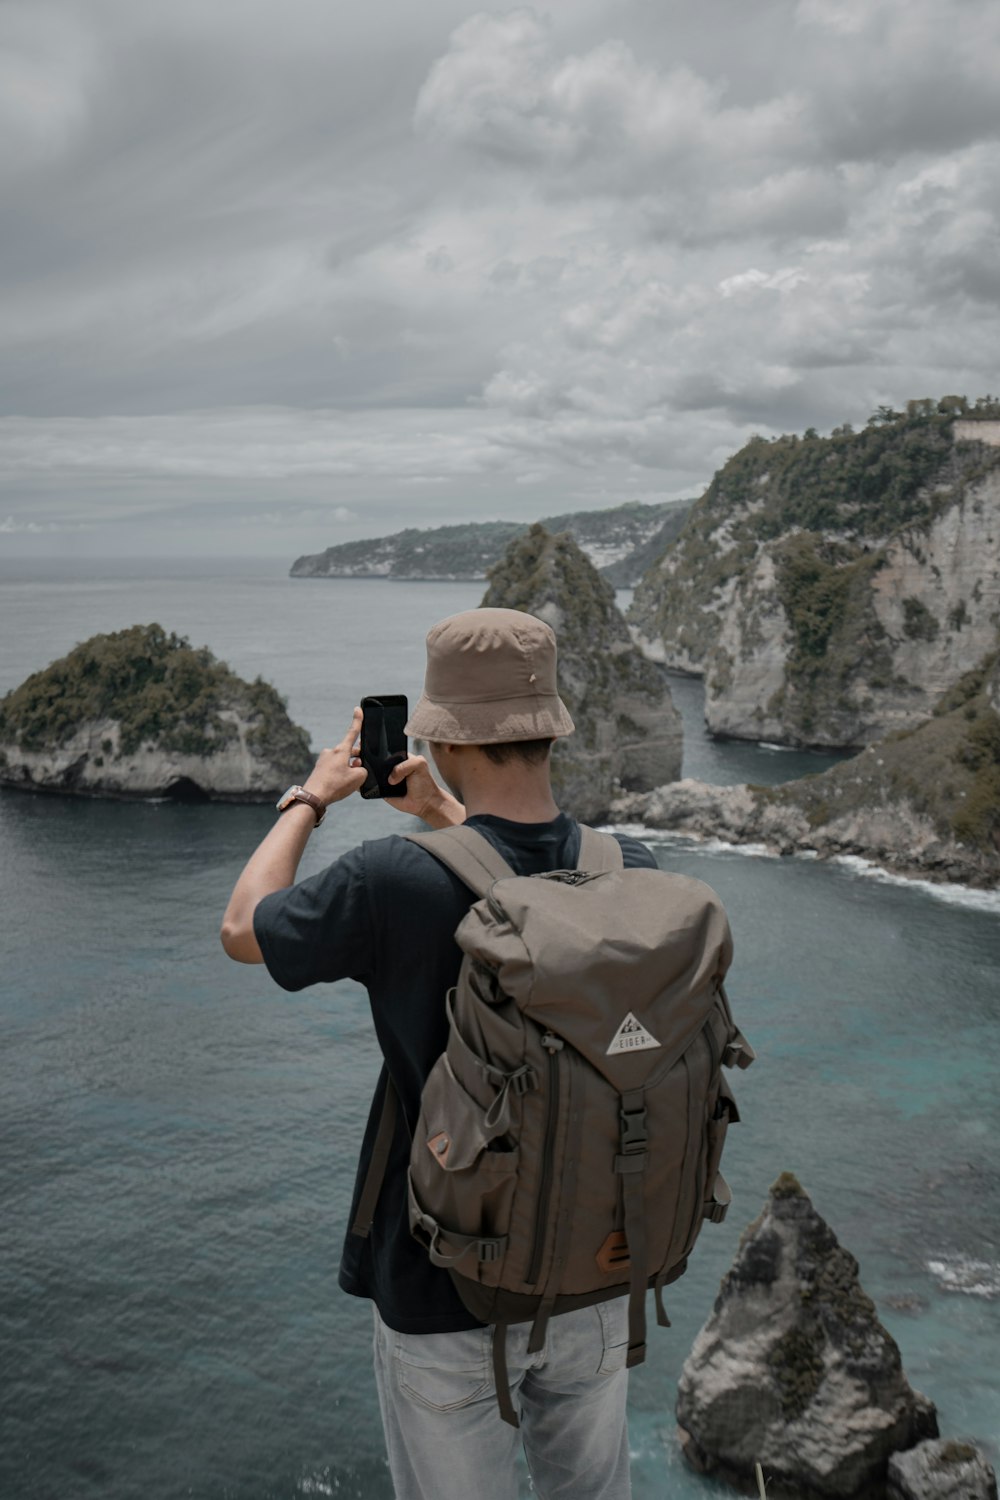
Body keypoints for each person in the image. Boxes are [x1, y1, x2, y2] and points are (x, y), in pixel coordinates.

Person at [220, 607, 657, 1500]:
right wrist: (445, 815)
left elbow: (242, 929)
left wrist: (311, 796)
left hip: (444, 1287)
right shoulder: (630, 870)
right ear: (549, 732)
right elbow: (526, 891)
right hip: (599, 1272)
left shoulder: (393, 880)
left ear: (439, 737)